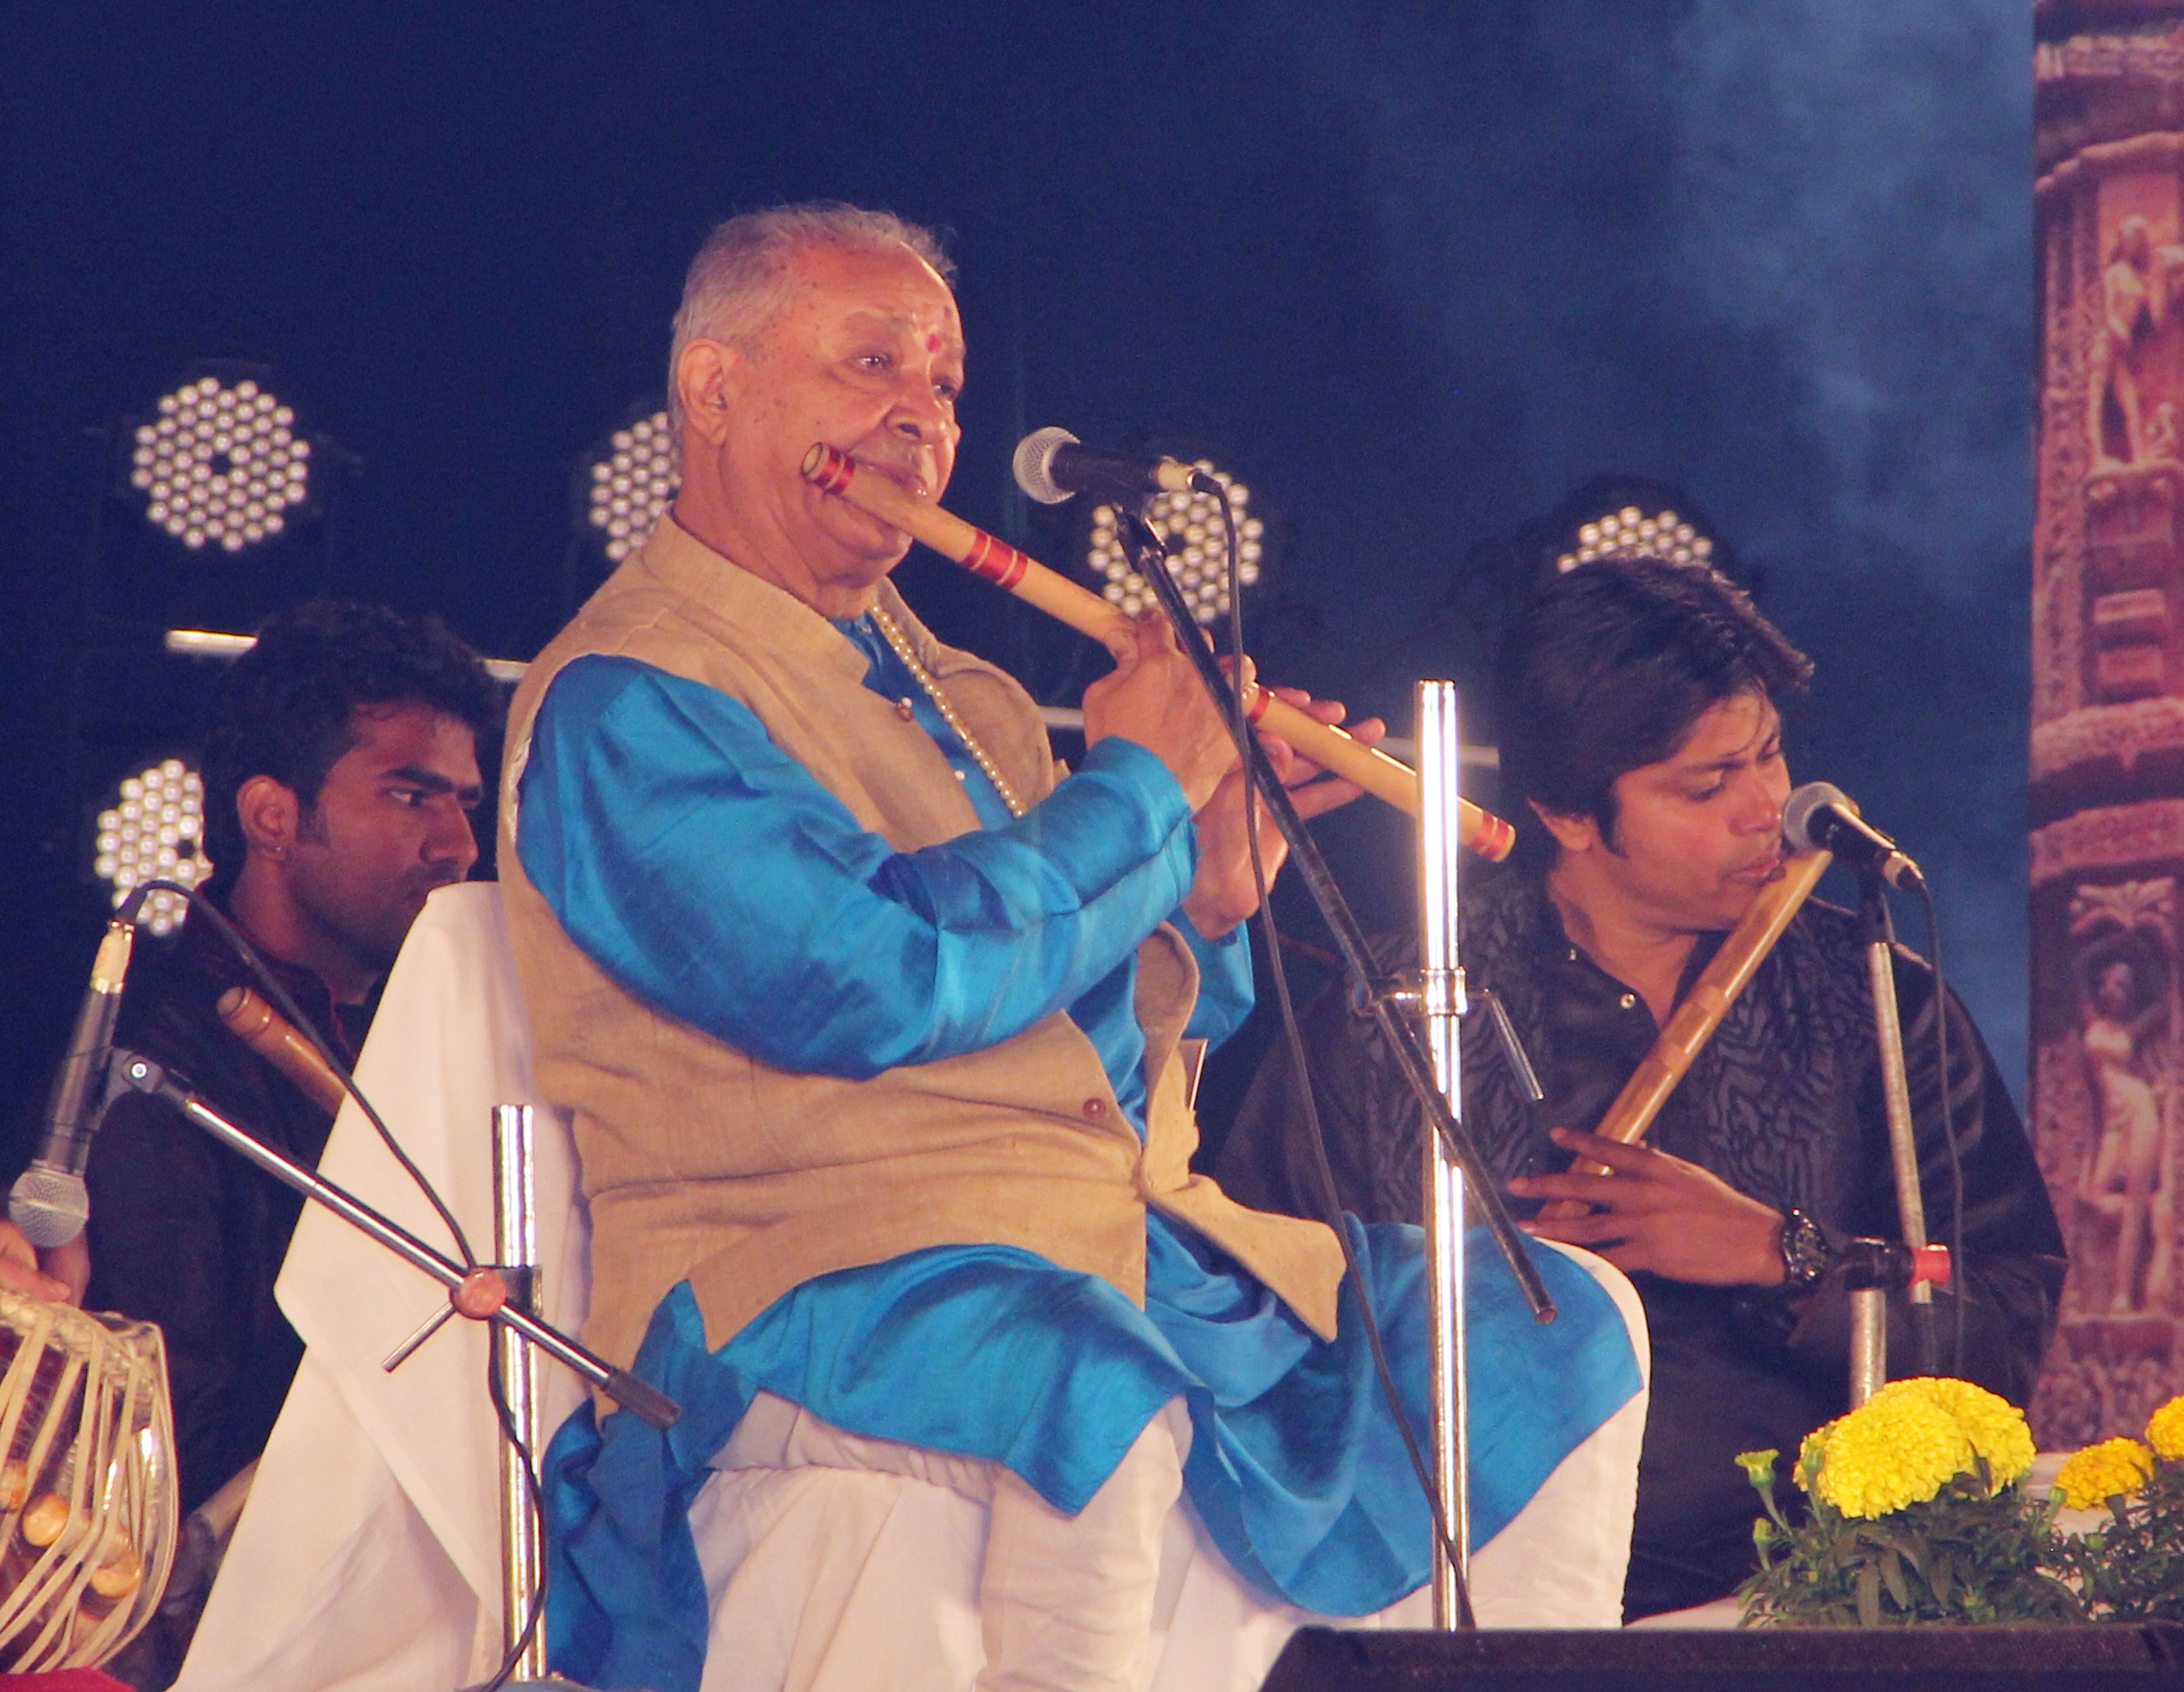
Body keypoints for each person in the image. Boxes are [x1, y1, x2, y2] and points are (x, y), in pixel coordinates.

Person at [500, 203, 1650, 1692]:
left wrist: (1212, 892)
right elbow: (879, 981)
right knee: (1089, 1379)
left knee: (1556, 1316)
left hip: (1094, 1231)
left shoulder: (958, 685)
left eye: (946, 384)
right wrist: (1142, 789)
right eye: (871, 367)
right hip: (799, 1266)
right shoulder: (626, 697)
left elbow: (1078, 1034)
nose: (921, 419)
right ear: (714, 391)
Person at [1212, 557, 2068, 1620]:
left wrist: (1785, 1255)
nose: (1766, 808)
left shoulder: (1874, 999)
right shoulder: (1395, 1013)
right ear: (1567, 814)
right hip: (1473, 1606)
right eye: (1705, 786)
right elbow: (1248, 1300)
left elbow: (2009, 1307)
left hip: (1814, 1607)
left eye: (1766, 755)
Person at [68, 598, 494, 1685]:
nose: (456, 842)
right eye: (410, 794)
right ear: (271, 814)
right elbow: (182, 1450)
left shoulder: (438, 1035)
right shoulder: (153, 1069)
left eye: (463, 802)